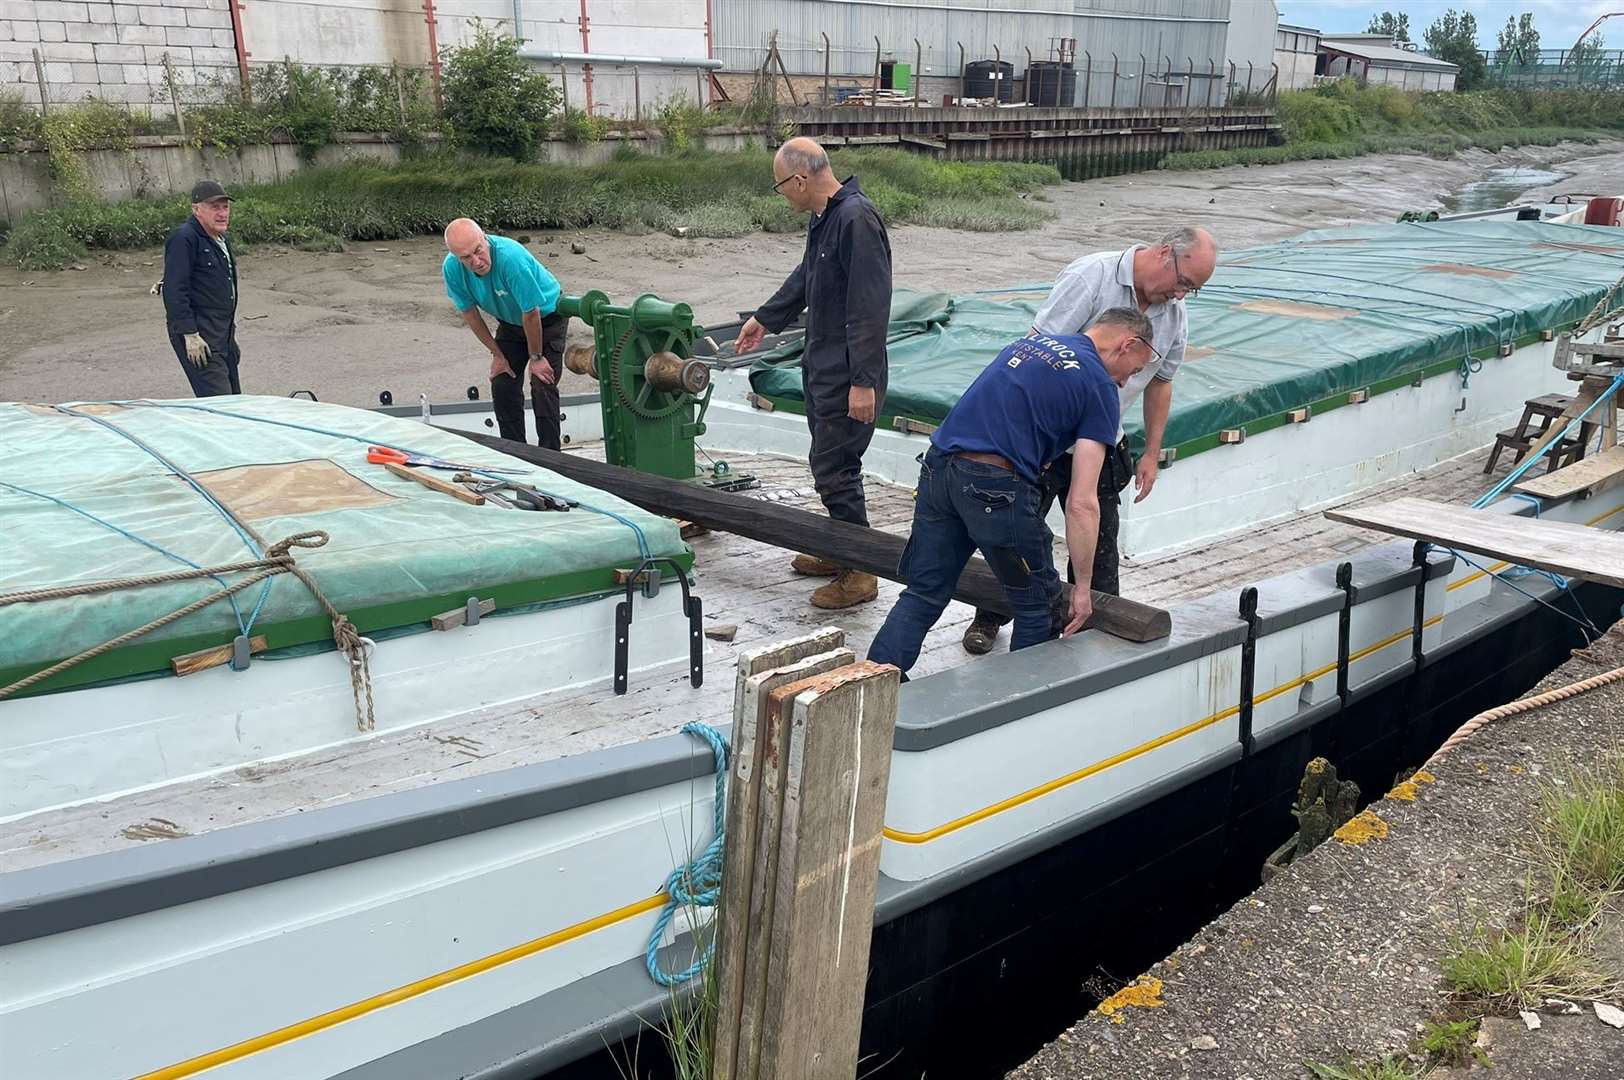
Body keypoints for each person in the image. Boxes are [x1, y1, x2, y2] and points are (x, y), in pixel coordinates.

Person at [960, 226, 1218, 655]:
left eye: (1191, 291)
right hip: (1044, 443)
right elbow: (1036, 353)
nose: (1181, 295)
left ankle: (1093, 633)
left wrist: (1151, 453)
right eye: (1183, 283)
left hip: (1101, 439)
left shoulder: (1174, 314)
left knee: (1099, 549)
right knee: (1015, 538)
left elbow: (1162, 384)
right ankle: (989, 616)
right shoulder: (1091, 278)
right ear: (1165, 252)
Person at [867, 309, 1157, 678]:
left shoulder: (1032, 343)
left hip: (939, 469)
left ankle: (872, 685)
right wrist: (1083, 587)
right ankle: (1018, 704)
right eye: (1133, 371)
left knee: (924, 590)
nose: (1124, 383)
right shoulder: (1099, 386)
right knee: (1038, 604)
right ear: (1127, 344)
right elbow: (1082, 502)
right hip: (994, 487)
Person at [734, 137, 893, 610]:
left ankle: (859, 571)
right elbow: (808, 275)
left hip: (848, 374)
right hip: (823, 364)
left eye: (781, 185)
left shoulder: (856, 220)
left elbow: (870, 307)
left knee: (836, 472)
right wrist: (765, 318)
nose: (782, 195)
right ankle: (838, 549)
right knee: (826, 464)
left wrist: (863, 382)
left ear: (800, 179)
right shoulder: (825, 217)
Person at [442, 217, 567, 449]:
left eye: (478, 251)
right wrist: (497, 354)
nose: (476, 262)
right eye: (466, 258)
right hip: (510, 323)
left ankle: (551, 455)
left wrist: (536, 358)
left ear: (485, 238)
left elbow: (531, 313)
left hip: (546, 318)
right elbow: (470, 313)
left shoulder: (511, 258)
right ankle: (515, 451)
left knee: (542, 383)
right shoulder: (452, 268)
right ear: (457, 257)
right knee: (502, 382)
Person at [161, 180, 242, 397]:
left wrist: (229, 339)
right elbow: (174, 289)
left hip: (221, 334)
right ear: (197, 209)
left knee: (236, 402)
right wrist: (190, 335)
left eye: (225, 207)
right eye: (215, 207)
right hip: (200, 338)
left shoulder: (221, 240)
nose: (222, 213)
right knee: (221, 405)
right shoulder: (184, 238)